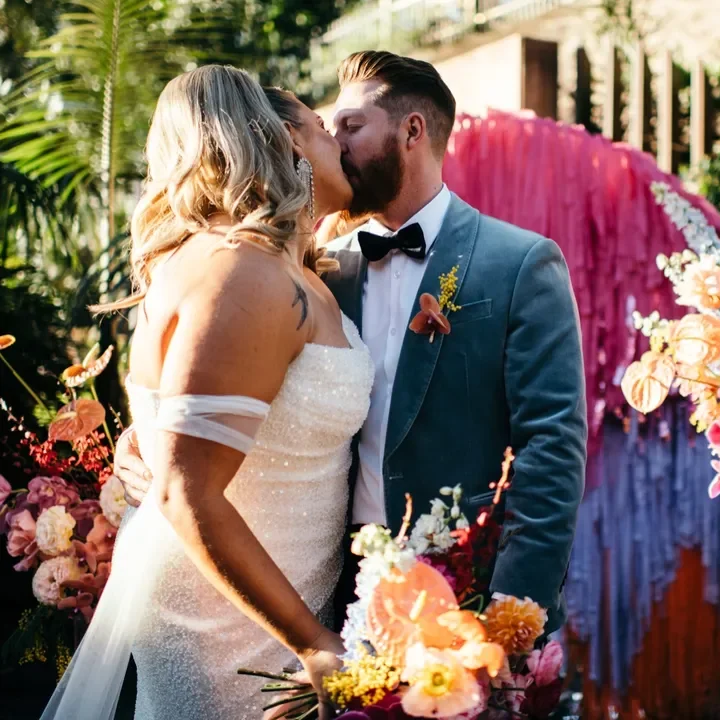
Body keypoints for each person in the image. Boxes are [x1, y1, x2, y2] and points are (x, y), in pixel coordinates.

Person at [120, 51, 589, 638]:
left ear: (411, 131)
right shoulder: (317, 270)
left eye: (351, 126)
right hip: (334, 594)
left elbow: (552, 448)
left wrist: (514, 610)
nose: (335, 143)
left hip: (468, 590)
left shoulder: (519, 263)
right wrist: (144, 440)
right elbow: (229, 382)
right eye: (329, 127)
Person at [42, 65, 371, 720]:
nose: (338, 139)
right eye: (321, 124)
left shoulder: (279, 267)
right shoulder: (243, 272)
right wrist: (313, 644)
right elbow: (185, 488)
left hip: (276, 598)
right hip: (230, 624)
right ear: (288, 141)